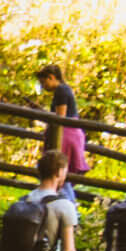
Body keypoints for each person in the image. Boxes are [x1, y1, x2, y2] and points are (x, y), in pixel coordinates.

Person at [36, 63, 88, 197]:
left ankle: (67, 202)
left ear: (51, 77)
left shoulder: (61, 90)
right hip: (70, 133)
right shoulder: (64, 90)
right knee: (62, 176)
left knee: (59, 173)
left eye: (43, 82)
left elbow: (60, 117)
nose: (43, 86)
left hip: (65, 134)